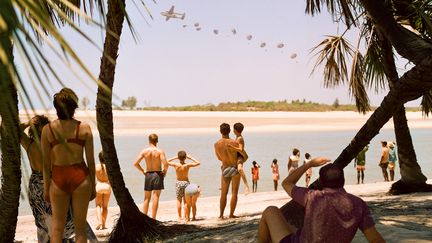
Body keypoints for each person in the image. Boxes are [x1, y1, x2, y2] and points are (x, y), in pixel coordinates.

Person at [257, 157, 385, 243]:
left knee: (271, 211)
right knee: (291, 226)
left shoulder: (313, 197)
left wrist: (309, 164)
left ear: (321, 182)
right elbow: (374, 239)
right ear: (343, 181)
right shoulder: (358, 204)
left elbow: (286, 183)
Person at [41, 88, 96, 243]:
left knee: (57, 229)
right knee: (80, 229)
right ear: (74, 107)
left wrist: (46, 188)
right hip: (81, 177)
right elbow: (91, 162)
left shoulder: (47, 130)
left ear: (56, 108)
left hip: (58, 178)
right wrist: (94, 186)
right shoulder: (84, 128)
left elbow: (46, 164)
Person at [20, 115, 74, 242]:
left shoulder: (29, 144)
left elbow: (15, 130)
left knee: (43, 223)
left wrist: (28, 123)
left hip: (36, 188)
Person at [133, 133, 168, 219]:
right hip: (158, 174)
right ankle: (153, 218)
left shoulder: (144, 151)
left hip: (148, 175)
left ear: (149, 141)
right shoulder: (160, 151)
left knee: (146, 198)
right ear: (157, 141)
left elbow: (135, 164)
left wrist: (143, 171)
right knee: (155, 197)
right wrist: (164, 173)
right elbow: (166, 165)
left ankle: (144, 218)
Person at [214, 123, 241, 219]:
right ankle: (231, 214)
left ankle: (221, 215)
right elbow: (240, 155)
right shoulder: (234, 143)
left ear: (220, 131)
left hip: (225, 168)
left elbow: (218, 157)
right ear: (229, 131)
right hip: (234, 168)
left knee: (223, 193)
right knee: (234, 193)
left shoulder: (217, 144)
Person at [167, 150, 200, 222]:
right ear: (185, 158)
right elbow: (198, 163)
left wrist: (175, 158)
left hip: (178, 183)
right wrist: (190, 158)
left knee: (179, 200)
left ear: (178, 158)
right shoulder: (187, 165)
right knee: (186, 201)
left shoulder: (176, 165)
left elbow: (166, 161)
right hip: (186, 183)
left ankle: (179, 217)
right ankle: (186, 217)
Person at [228, 122, 251, 195]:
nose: (232, 130)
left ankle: (247, 187)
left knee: (240, 169)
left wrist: (231, 147)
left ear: (236, 130)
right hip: (236, 156)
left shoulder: (240, 138)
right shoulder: (237, 137)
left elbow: (240, 149)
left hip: (240, 156)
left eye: (233, 129)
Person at [95, 151, 111, 230]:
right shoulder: (109, 167)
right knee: (105, 207)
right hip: (107, 186)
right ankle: (103, 225)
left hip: (99, 186)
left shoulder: (97, 166)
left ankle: (99, 222)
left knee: (98, 205)